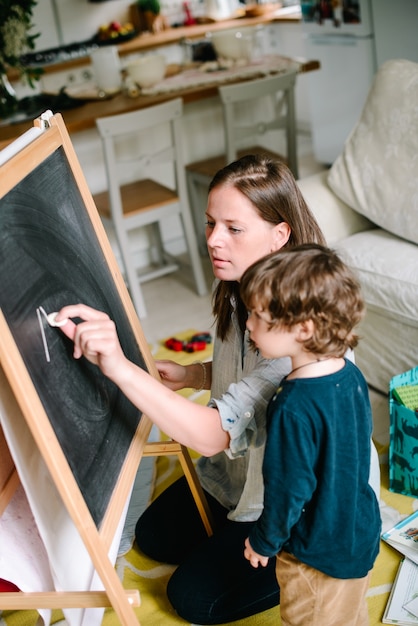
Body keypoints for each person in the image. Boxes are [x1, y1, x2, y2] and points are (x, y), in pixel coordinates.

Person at [56, 155, 379, 625]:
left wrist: (121, 368)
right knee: (154, 538)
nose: (213, 240)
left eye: (233, 228)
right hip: (236, 472)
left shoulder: (297, 359)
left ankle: (287, 563)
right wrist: (194, 376)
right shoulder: (244, 295)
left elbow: (213, 434)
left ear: (280, 235)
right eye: (210, 223)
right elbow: (239, 376)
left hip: (296, 513)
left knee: (191, 598)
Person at [240, 244, 381, 626]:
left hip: (316, 555)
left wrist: (263, 541)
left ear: (303, 329)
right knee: (349, 615)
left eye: (257, 315)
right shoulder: (349, 375)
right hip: (359, 529)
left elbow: (289, 489)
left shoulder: (292, 405)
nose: (248, 324)